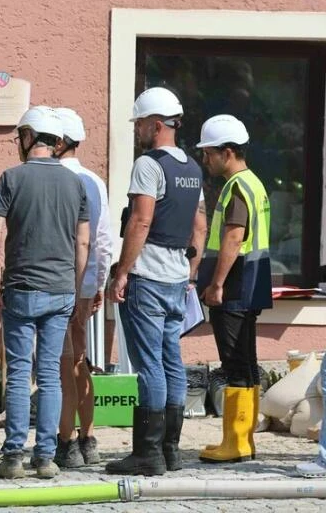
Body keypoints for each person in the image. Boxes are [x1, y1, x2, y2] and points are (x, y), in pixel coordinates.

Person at [0, 105, 89, 480]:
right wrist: (76, 291)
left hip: (21, 288)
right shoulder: (76, 184)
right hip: (61, 290)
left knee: (19, 373)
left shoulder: (11, 178)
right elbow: (83, 244)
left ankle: (13, 456)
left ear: (28, 138)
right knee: (50, 375)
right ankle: (45, 457)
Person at [106, 87, 207, 476]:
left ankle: (147, 454)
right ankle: (171, 451)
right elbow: (199, 224)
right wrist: (191, 274)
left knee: (150, 365)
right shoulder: (193, 168)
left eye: (141, 124)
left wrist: (123, 271)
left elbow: (141, 220)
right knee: (171, 362)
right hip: (176, 278)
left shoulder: (149, 165)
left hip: (147, 277)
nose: (137, 131)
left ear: (156, 124)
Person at [195, 114, 272, 464]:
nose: (204, 160)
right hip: (251, 283)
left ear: (227, 152)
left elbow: (234, 236)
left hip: (235, 285)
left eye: (208, 153)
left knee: (235, 363)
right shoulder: (255, 183)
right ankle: (244, 441)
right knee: (247, 362)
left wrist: (216, 283)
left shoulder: (236, 186)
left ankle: (235, 442)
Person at [53, 108, 113, 468]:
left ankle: (66, 442)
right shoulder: (94, 180)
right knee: (79, 360)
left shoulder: (49, 178)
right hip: (87, 280)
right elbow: (103, 240)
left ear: (57, 142)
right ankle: (88, 436)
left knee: (64, 364)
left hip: (58, 281)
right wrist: (98, 283)